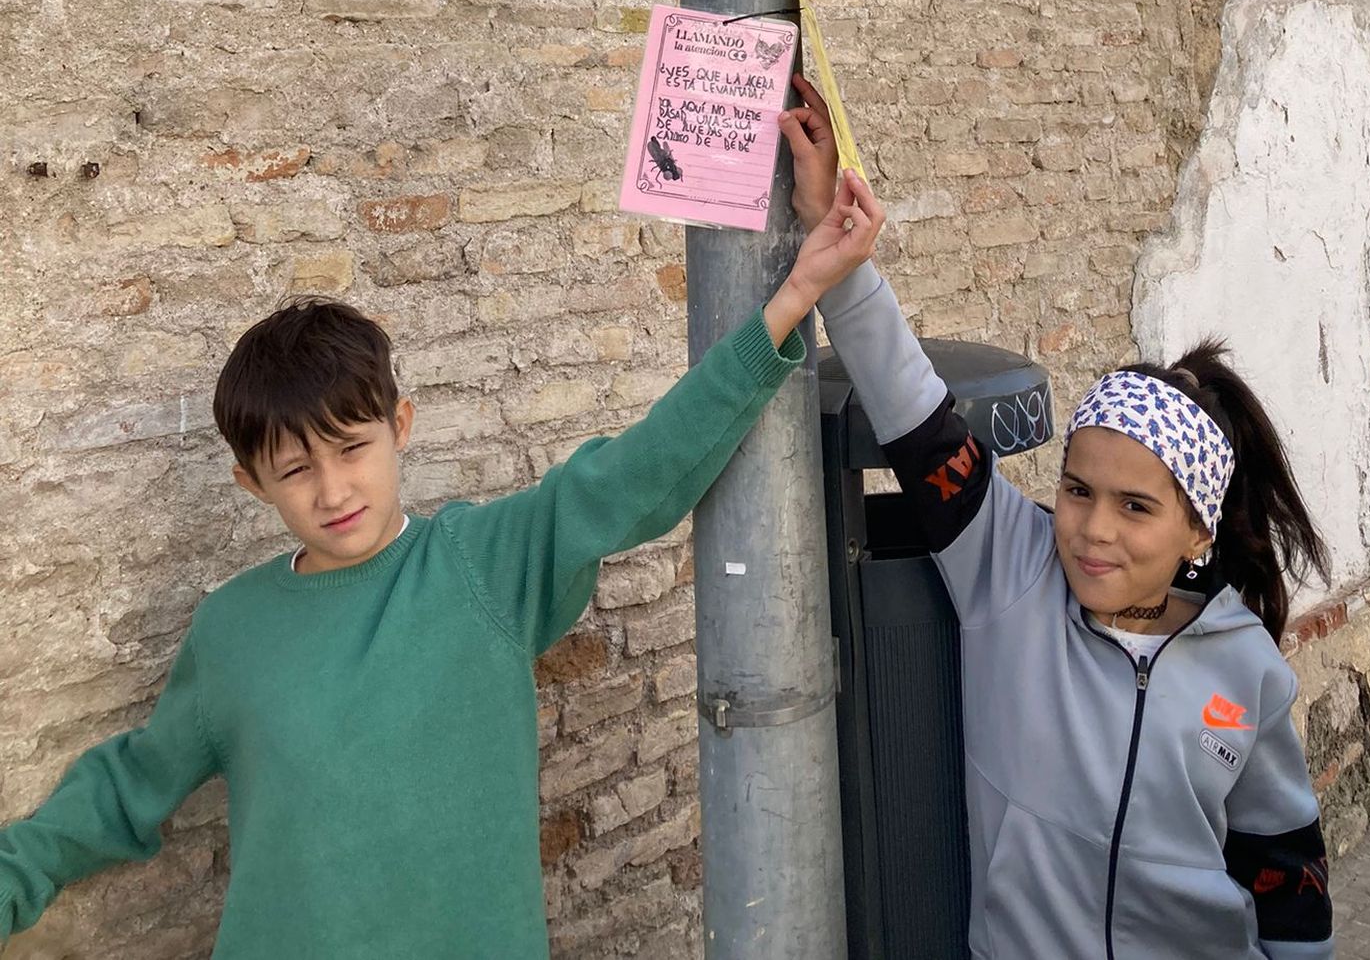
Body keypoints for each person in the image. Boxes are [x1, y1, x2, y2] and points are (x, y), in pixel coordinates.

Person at [0, 168, 884, 958]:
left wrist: (796, 291)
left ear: (402, 427)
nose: (333, 487)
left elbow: (634, 476)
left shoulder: (482, 565)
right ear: (252, 481)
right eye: (295, 468)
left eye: (352, 447)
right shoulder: (232, 630)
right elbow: (127, 787)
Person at [782, 76, 1335, 960]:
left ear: (1199, 531)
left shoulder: (1248, 672)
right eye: (1077, 488)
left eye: (1137, 506)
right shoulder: (1011, 571)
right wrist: (843, 257)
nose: (1092, 528)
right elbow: (918, 419)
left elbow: (1286, 874)